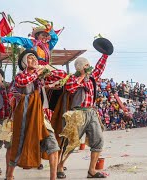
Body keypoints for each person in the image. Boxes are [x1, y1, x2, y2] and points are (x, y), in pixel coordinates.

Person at [56, 38, 113, 178]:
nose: (90, 67)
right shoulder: (73, 78)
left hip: (92, 112)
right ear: (81, 67)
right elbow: (70, 87)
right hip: (78, 113)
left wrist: (105, 54)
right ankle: (59, 166)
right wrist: (81, 76)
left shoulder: (92, 77)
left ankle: (92, 170)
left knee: (98, 140)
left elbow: (100, 67)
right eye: (87, 65)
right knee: (72, 142)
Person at [6, 49, 64, 180]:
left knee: (53, 147)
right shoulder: (20, 76)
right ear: (24, 62)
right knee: (18, 147)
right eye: (30, 58)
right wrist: (38, 72)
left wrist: (47, 69)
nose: (35, 60)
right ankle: (9, 175)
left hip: (41, 117)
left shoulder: (40, 77)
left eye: (35, 58)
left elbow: (61, 75)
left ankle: (53, 178)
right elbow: (24, 81)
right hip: (24, 118)